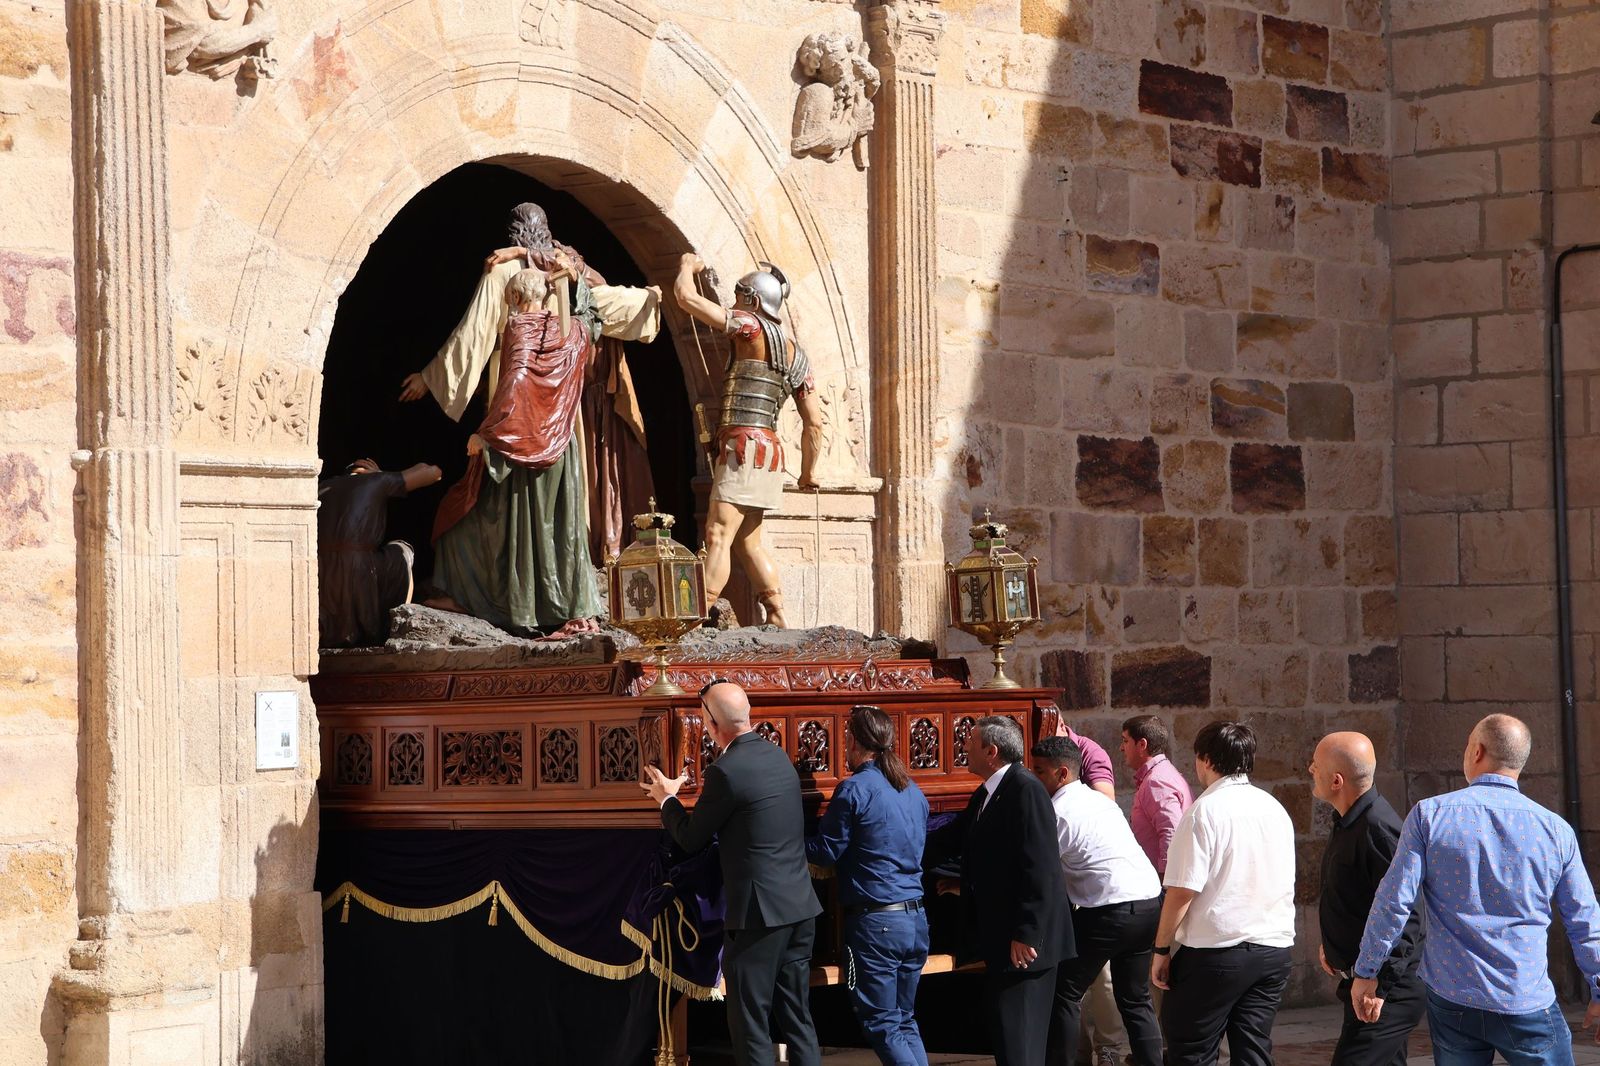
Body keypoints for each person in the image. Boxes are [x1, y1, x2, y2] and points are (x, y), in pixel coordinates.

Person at [399, 203, 660, 635]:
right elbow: (601, 307)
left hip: (519, 430)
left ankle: (502, 600)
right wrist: (652, 297)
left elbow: (489, 348)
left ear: (515, 299)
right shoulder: (575, 323)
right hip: (561, 431)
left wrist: (479, 427)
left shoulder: (515, 315)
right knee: (562, 520)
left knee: (492, 516)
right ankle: (569, 602)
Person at [1352, 714, 1600, 1064]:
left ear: (1477, 751)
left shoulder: (1429, 815)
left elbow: (1394, 901)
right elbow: (1584, 919)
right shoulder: (1555, 830)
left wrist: (1367, 971)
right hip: (1523, 997)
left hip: (1453, 998)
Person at [642, 680, 822, 1066]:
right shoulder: (778, 757)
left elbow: (691, 838)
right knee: (798, 1018)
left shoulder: (725, 772)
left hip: (759, 918)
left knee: (750, 1022)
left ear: (711, 724)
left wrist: (667, 798)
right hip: (800, 908)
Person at [672, 252, 824, 627]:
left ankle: (694, 617)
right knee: (748, 541)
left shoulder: (749, 326)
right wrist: (808, 472)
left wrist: (687, 267)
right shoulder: (797, 356)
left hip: (743, 448)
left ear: (753, 301)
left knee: (718, 533)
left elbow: (686, 299)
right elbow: (815, 423)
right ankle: (777, 612)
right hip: (768, 453)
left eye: (740, 295)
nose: (735, 302)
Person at [925, 716, 1074, 1066]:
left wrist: (1027, 933)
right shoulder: (989, 791)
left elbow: (1041, 867)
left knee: (1020, 1045)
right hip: (1002, 939)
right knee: (1009, 1043)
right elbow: (960, 841)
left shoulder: (1026, 789)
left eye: (971, 742)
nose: (964, 748)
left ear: (991, 751)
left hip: (1026, 946)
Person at [1151, 721, 1295, 1066]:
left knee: (1192, 1050)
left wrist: (1161, 949)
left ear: (1205, 760)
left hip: (1215, 952)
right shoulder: (1273, 808)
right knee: (1253, 1051)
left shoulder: (1204, 811)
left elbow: (1182, 890)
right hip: (1272, 949)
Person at [806, 705, 931, 1066]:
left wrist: (782, 842)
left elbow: (825, 852)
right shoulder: (912, 790)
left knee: (883, 1023)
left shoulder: (855, 788)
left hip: (878, 924)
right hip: (915, 920)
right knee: (903, 1019)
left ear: (853, 741)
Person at [1030, 736, 1165, 1066]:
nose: (1034, 778)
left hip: (1110, 910)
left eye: (1040, 771)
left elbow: (1038, 870)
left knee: (1064, 990)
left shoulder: (1058, 812)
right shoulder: (1099, 801)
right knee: (1135, 998)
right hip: (1148, 904)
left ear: (1062, 773)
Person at [1308, 731, 1425, 1066]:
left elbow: (1410, 915)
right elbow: (1357, 896)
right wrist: (1334, 945)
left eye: (1315, 766)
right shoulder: (1349, 821)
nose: (1310, 770)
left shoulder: (1378, 828)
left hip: (1386, 990)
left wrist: (1377, 981)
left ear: (1336, 780)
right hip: (1364, 983)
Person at [316, 457, 441, 647]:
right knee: (402, 550)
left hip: (322, 571)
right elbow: (433, 473)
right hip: (359, 569)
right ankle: (399, 624)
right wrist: (382, 474)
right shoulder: (376, 480)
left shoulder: (320, 487)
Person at [1119, 715, 1194, 878]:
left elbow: (1171, 831)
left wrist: (1165, 882)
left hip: (1161, 883)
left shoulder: (1156, 781)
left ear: (1142, 744)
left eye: (1125, 741)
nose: (1121, 748)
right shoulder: (1163, 773)